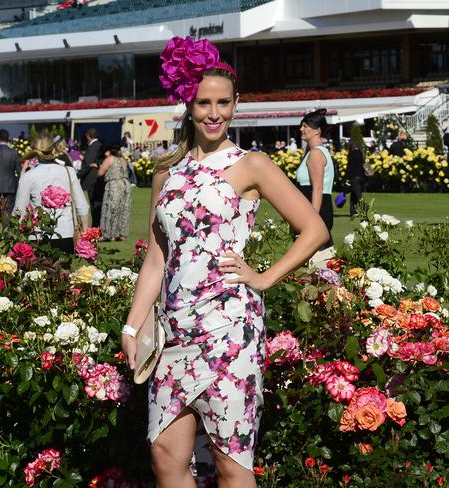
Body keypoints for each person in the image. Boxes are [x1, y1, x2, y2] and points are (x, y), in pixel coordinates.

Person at [120, 36, 328, 488]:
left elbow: (314, 229)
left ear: (236, 105)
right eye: (203, 103)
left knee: (231, 463)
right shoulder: (165, 172)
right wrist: (132, 327)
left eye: (223, 103)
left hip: (230, 329)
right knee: (164, 455)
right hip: (173, 331)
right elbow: (157, 255)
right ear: (188, 106)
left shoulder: (251, 165)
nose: (214, 113)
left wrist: (264, 277)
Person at [14, 133, 88, 254]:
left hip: (38, 235)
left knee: (40, 272)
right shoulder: (68, 171)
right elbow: (82, 206)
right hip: (66, 233)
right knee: (64, 272)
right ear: (53, 150)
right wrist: (85, 232)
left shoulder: (28, 176)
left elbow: (19, 211)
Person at [296, 109, 335, 250]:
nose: (301, 129)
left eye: (305, 126)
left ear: (317, 131)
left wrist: (312, 221)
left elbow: (318, 189)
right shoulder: (314, 152)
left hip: (317, 210)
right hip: (317, 209)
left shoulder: (316, 154)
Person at [98, 144, 131, 241]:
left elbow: (100, 172)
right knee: (123, 209)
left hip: (114, 185)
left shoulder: (110, 159)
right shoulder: (122, 159)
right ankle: (121, 233)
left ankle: (108, 234)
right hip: (125, 184)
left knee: (110, 208)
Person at [78, 128, 103, 226]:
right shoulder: (98, 145)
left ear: (88, 136)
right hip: (95, 178)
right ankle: (96, 226)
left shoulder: (93, 146)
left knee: (94, 205)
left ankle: (95, 226)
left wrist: (77, 175)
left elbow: (88, 164)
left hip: (92, 179)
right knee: (95, 204)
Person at [347, 141, 366, 216]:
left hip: (353, 176)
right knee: (353, 195)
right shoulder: (361, 153)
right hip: (360, 176)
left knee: (358, 195)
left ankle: (365, 210)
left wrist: (346, 177)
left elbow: (350, 167)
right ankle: (352, 211)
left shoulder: (351, 154)